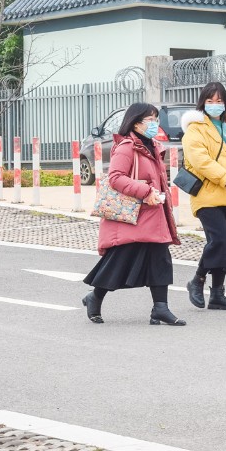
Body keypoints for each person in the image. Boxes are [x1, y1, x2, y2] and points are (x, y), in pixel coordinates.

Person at [82, 102, 183, 326]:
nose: (155, 124)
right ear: (136, 123)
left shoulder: (153, 146)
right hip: (135, 215)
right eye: (150, 120)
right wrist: (146, 191)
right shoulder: (127, 147)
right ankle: (95, 297)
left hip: (153, 212)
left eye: (156, 119)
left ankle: (160, 308)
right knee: (121, 260)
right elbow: (116, 177)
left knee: (160, 258)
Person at [182, 83, 226, 310]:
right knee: (219, 240)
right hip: (206, 193)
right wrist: (225, 178)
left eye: (219, 101)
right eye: (210, 101)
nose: (215, 105)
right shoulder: (195, 129)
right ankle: (197, 279)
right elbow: (201, 161)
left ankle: (217, 294)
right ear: (202, 103)